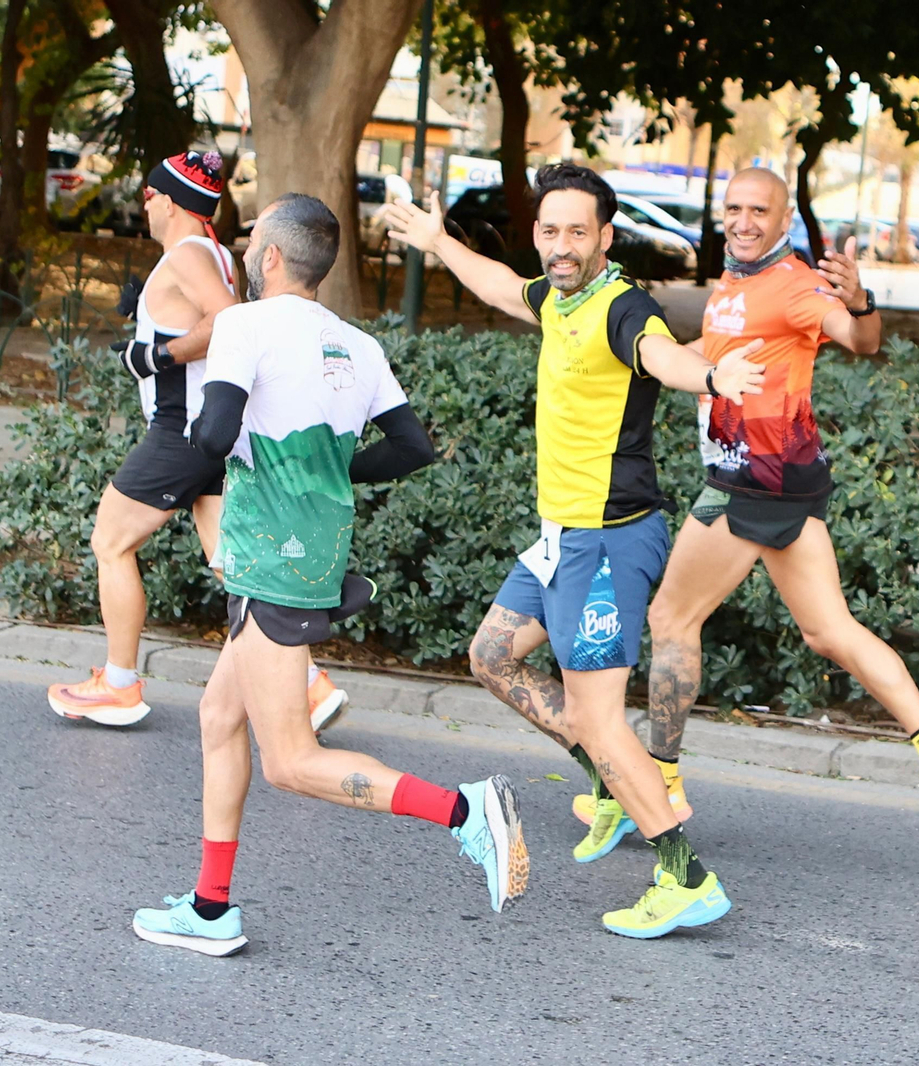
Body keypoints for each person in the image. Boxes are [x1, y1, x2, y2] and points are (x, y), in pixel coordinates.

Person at [129, 194, 527, 957]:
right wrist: (336, 469)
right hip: (313, 550)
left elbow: (214, 432)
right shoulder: (358, 345)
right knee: (218, 718)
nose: (246, 249)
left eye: (253, 239)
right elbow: (411, 448)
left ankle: (463, 810)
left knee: (290, 762)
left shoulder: (244, 325)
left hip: (270, 559)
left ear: (273, 257)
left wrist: (208, 443)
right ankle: (211, 908)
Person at [387, 164, 763, 939]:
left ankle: (683, 875)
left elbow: (658, 354)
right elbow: (501, 287)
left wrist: (710, 375)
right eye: (551, 231)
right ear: (538, 234)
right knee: (492, 655)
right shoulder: (559, 299)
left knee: (597, 715)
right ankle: (609, 778)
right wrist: (436, 240)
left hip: (608, 539)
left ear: (605, 238)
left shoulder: (622, 307)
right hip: (562, 537)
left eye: (578, 233)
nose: (562, 246)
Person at [633, 167, 919, 852]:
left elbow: (859, 339)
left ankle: (659, 784)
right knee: (828, 630)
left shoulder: (795, 284)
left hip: (750, 480)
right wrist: (643, 358)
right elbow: (711, 352)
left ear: (783, 217)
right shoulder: (734, 281)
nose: (743, 222)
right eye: (734, 208)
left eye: (758, 211)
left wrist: (861, 302)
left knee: (671, 618)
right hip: (788, 480)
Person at [46, 152, 347, 730]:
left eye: (149, 195)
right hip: (210, 431)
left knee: (110, 542)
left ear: (170, 201)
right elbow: (208, 316)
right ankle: (309, 685)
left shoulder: (187, 254)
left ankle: (119, 685)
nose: (144, 205)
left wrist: (156, 356)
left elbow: (229, 321)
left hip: (181, 433)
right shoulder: (213, 254)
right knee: (234, 566)